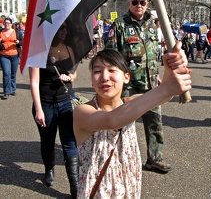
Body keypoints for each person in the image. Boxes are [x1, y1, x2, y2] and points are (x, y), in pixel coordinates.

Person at [73, 47, 191, 198]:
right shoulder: (82, 112)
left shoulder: (129, 104)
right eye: (97, 71)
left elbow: (163, 96)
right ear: (91, 80)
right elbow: (112, 120)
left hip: (128, 187)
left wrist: (170, 66)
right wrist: (167, 89)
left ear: (126, 77)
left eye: (111, 70)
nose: (104, 77)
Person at [105, 0, 173, 172]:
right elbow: (110, 56)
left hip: (150, 84)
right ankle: (118, 159)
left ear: (147, 5)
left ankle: (154, 158)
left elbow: (153, 53)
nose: (139, 5)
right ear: (129, 4)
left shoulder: (152, 25)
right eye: (135, 2)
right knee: (123, 124)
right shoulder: (119, 25)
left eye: (142, 2)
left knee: (155, 123)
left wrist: (156, 73)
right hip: (129, 85)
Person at [29, 24, 79, 198]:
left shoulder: (69, 49)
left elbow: (74, 73)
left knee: (70, 143)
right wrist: (39, 110)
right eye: (61, 28)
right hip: (45, 104)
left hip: (66, 102)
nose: (64, 31)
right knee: (48, 141)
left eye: (66, 28)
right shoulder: (38, 50)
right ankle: (49, 169)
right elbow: (34, 82)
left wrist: (69, 76)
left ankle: (75, 188)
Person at [0, 18, 23, 99]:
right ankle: (6, 91)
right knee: (6, 73)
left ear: (11, 24)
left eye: (8, 23)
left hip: (14, 55)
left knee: (13, 73)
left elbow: (22, 41)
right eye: (5, 23)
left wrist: (18, 42)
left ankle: (13, 89)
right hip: (4, 55)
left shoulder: (16, 32)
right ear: (4, 24)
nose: (7, 25)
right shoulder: (1, 32)